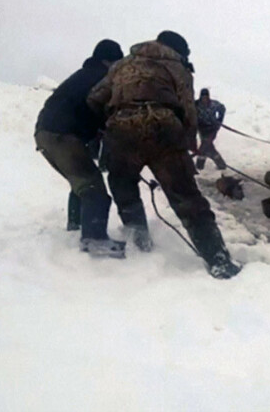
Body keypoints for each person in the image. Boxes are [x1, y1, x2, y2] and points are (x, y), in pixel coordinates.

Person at [87, 31, 241, 279]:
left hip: (122, 132)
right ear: (179, 50)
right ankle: (218, 261)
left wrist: (113, 118)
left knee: (124, 190)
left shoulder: (121, 65)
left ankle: (141, 244)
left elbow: (94, 98)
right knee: (187, 198)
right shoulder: (177, 67)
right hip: (164, 130)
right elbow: (189, 109)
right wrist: (189, 141)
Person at [35, 39, 125, 257]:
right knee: (93, 188)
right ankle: (94, 240)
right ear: (107, 61)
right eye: (116, 63)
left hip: (46, 133)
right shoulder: (101, 79)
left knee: (81, 184)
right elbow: (105, 111)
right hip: (62, 136)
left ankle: (75, 227)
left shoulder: (83, 74)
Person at [195, 88, 227, 170]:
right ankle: (220, 164)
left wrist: (219, 120)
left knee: (205, 144)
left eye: (206, 97)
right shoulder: (196, 104)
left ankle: (199, 165)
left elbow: (222, 108)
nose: (204, 99)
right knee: (207, 146)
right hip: (202, 129)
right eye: (203, 97)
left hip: (212, 128)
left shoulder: (214, 104)